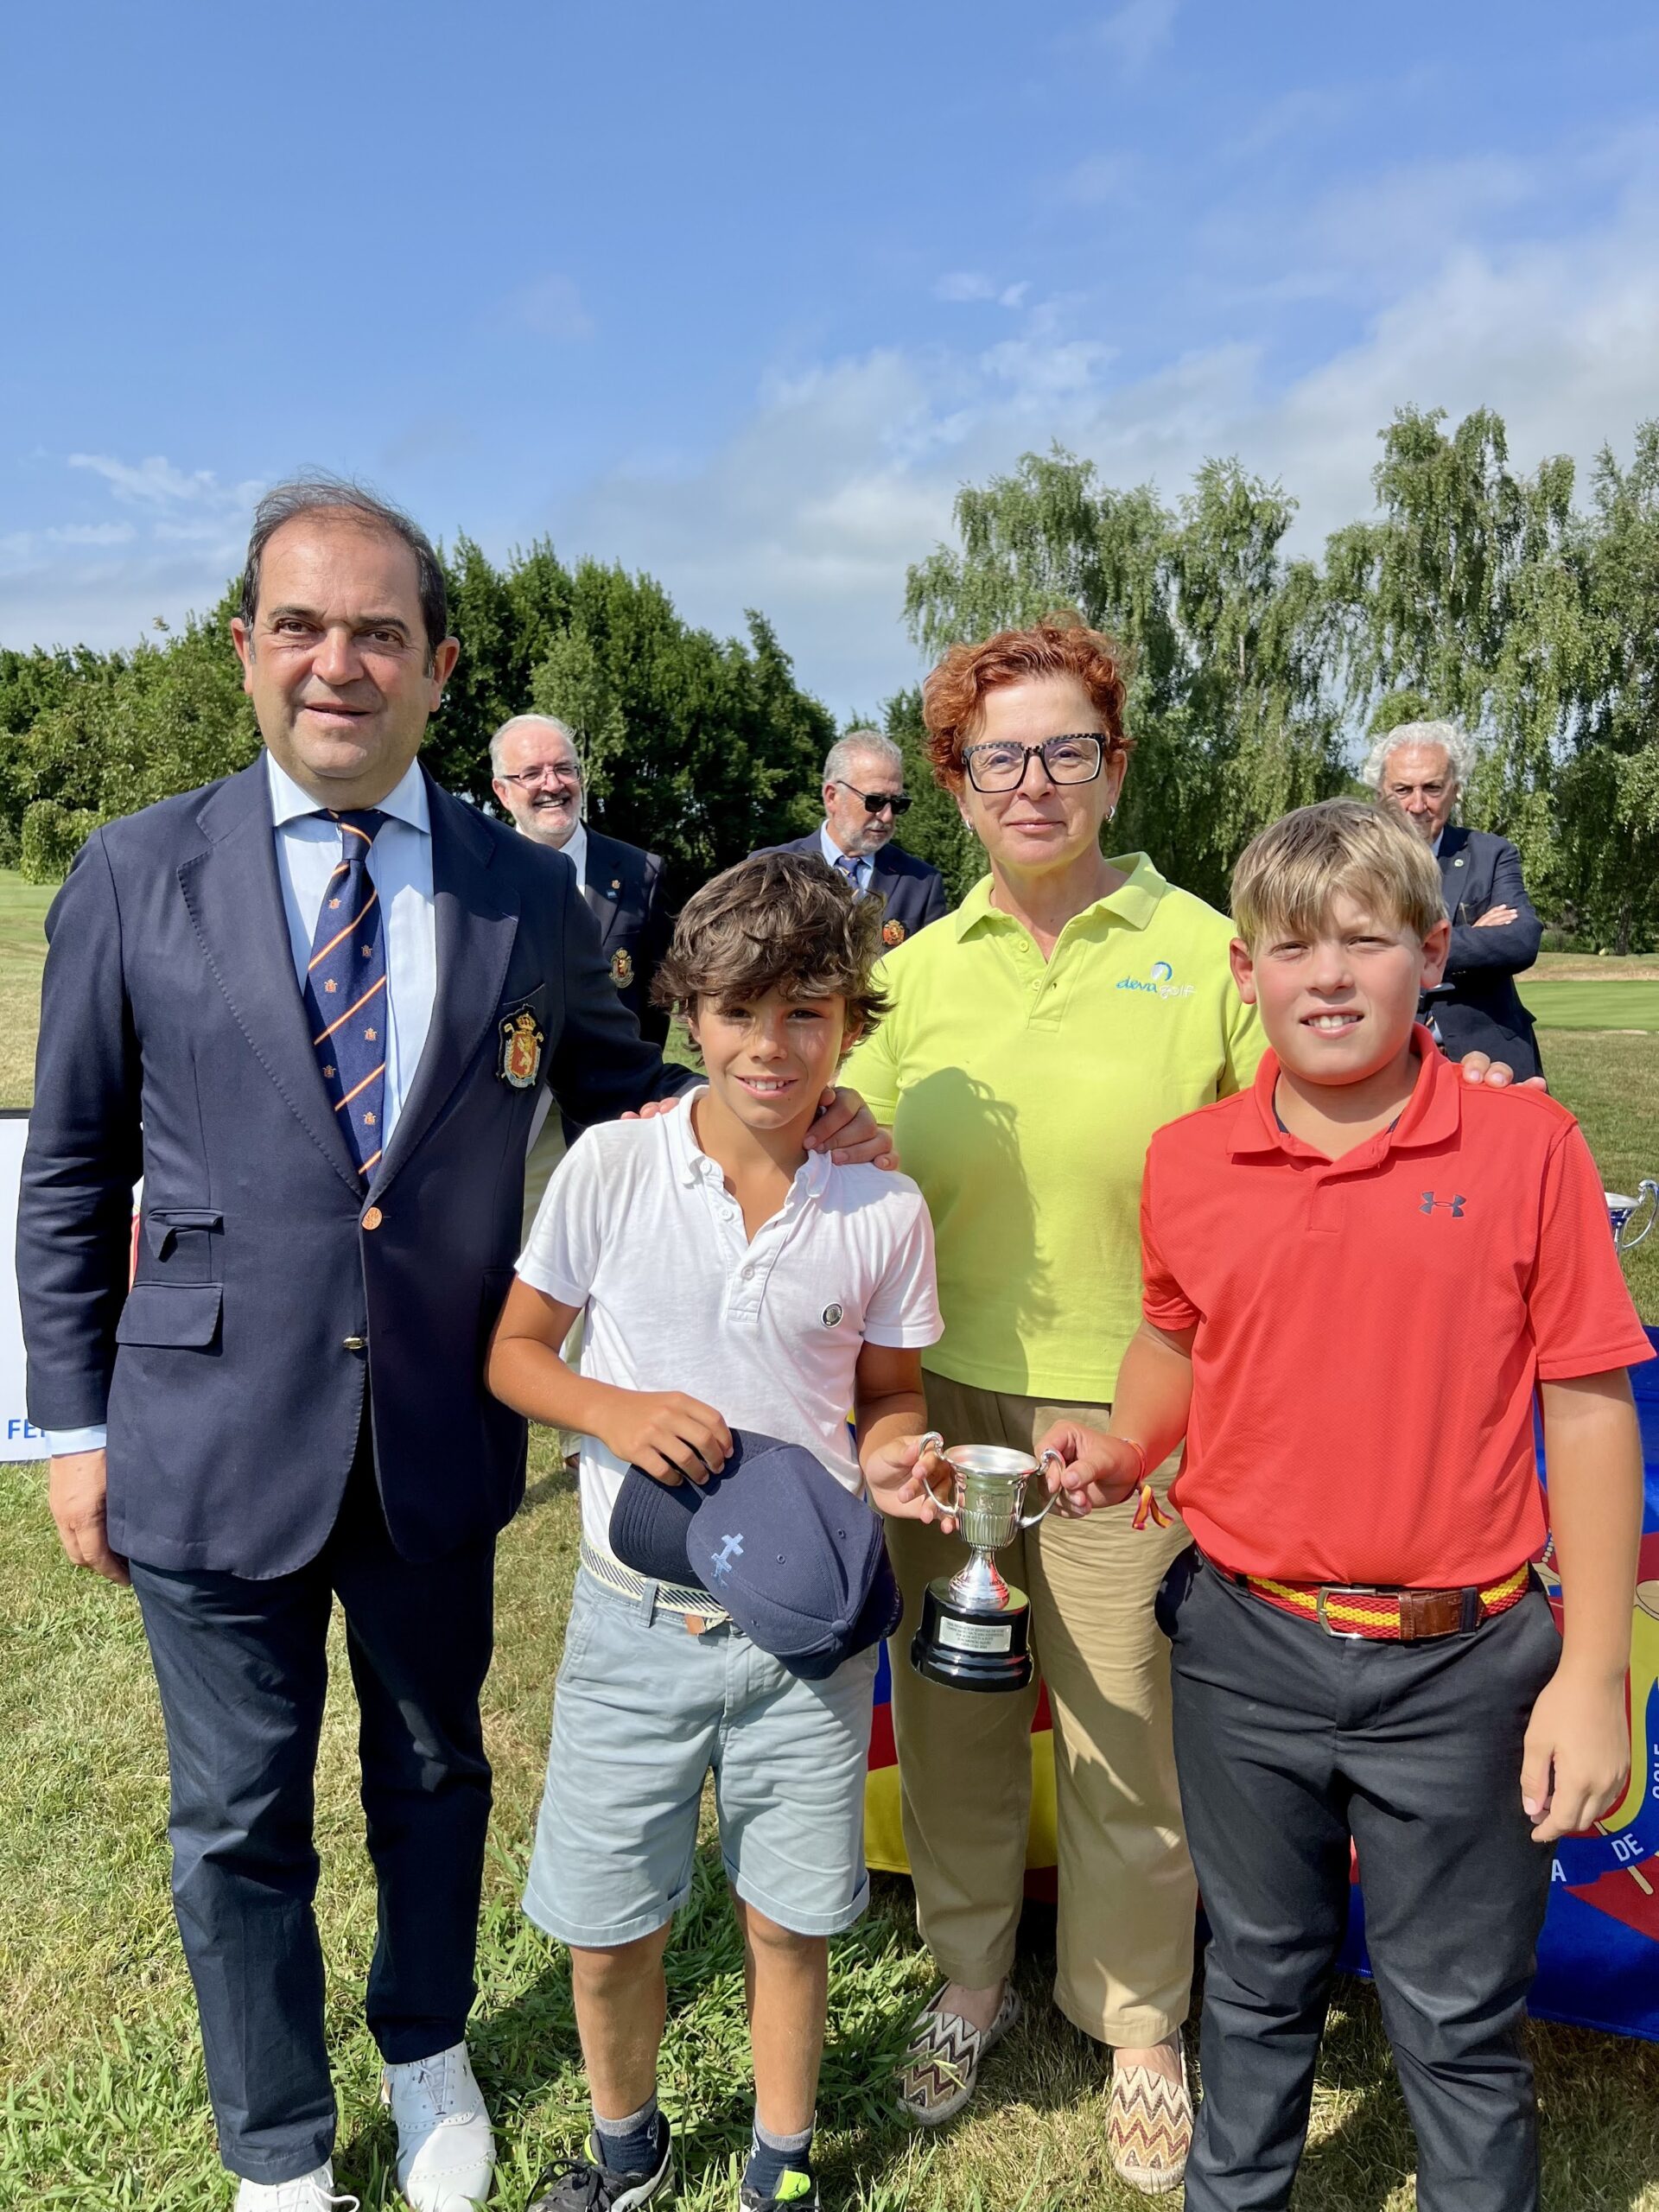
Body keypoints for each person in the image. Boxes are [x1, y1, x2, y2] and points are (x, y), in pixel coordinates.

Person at [17, 480, 885, 2212]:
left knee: (433, 1765)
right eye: (301, 626)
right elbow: (68, 1167)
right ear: (248, 648)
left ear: (435, 666)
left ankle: (426, 2047)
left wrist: (791, 1101)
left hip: (431, 1418)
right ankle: (275, 2142)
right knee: (235, 1811)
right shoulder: (133, 870)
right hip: (202, 1418)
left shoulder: (521, 891)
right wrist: (68, 1427)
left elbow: (624, 1092)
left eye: (378, 633)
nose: (337, 663)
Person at [1048, 798, 1650, 2212]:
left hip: (1466, 1661)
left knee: (1454, 2019)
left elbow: (1588, 1405)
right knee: (1254, 1982)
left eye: (1365, 941)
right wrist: (1128, 1451)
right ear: (1245, 975)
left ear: (1432, 954)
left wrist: (1596, 1667)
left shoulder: (1529, 1151)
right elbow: (1175, 1342)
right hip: (1246, 1648)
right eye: (1289, 947)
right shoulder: (1191, 1161)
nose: (1327, 976)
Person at [486, 852, 948, 2212]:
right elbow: (516, 1355)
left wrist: (894, 1456)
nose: (772, 1044)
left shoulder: (882, 1206)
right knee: (610, 1924)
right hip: (633, 1621)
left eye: (808, 1011)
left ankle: (781, 2164)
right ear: (689, 1012)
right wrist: (613, 1411)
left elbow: (889, 1391)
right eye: (740, 1010)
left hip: (805, 1641)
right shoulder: (613, 1168)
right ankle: (627, 2151)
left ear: (851, 1024)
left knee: (788, 1920)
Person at [1363, 718, 1543, 1078]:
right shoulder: (1353, 860)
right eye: (1402, 790)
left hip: (1492, 1053)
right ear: (1381, 792)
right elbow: (1348, 954)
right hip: (1386, 1055)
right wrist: (1471, 936)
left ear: (1455, 789)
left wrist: (1395, 947)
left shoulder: (1491, 853)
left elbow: (1521, 942)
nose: (1417, 805)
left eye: (1432, 788)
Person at [490, 712, 671, 1047]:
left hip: (614, 1090)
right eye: (532, 773)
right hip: (510, 1085)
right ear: (502, 792)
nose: (553, 784)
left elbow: (655, 1004)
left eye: (564, 768)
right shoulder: (479, 875)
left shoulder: (641, 873)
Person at [759, 730, 949, 945]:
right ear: (832, 797)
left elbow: (931, 971)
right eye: (874, 801)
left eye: (897, 803)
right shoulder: (768, 870)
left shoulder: (921, 882)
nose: (887, 816)